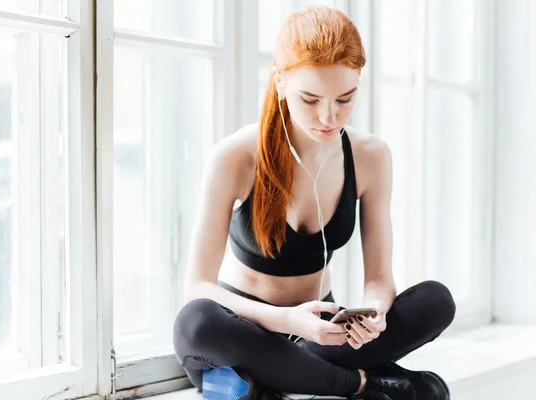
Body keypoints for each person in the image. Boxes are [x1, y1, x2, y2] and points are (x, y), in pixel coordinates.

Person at [173, 5, 455, 400]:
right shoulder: (236, 156)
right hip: (248, 328)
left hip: (325, 333)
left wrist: (372, 314)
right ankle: (366, 383)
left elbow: (378, 278)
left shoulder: (371, 155)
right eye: (310, 99)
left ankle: (273, 378)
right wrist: (286, 319)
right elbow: (197, 286)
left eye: (345, 99)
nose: (328, 116)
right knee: (197, 323)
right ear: (279, 80)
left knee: (435, 301)